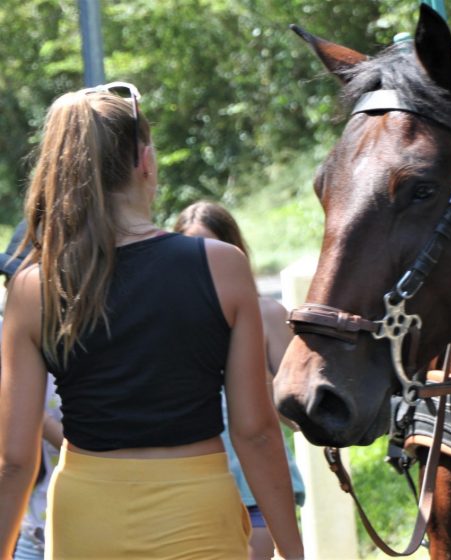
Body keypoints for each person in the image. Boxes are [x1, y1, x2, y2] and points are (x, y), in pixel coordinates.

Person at [0, 83, 304, 559]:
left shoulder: (34, 287)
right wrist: (294, 550)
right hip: (196, 510)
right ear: (145, 161)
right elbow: (256, 432)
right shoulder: (221, 265)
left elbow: (15, 462)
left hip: (85, 514)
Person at [174, 200, 306, 560]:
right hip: (189, 488)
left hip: (254, 489)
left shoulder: (267, 314)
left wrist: (261, 385)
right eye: (190, 251)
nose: (201, 263)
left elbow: (299, 418)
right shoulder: (167, 320)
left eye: (213, 249)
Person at [0, 220, 64, 560]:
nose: (12, 289)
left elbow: (83, 446)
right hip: (27, 527)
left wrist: (24, 413)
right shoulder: (5, 337)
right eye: (9, 280)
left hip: (78, 527)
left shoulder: (86, 348)